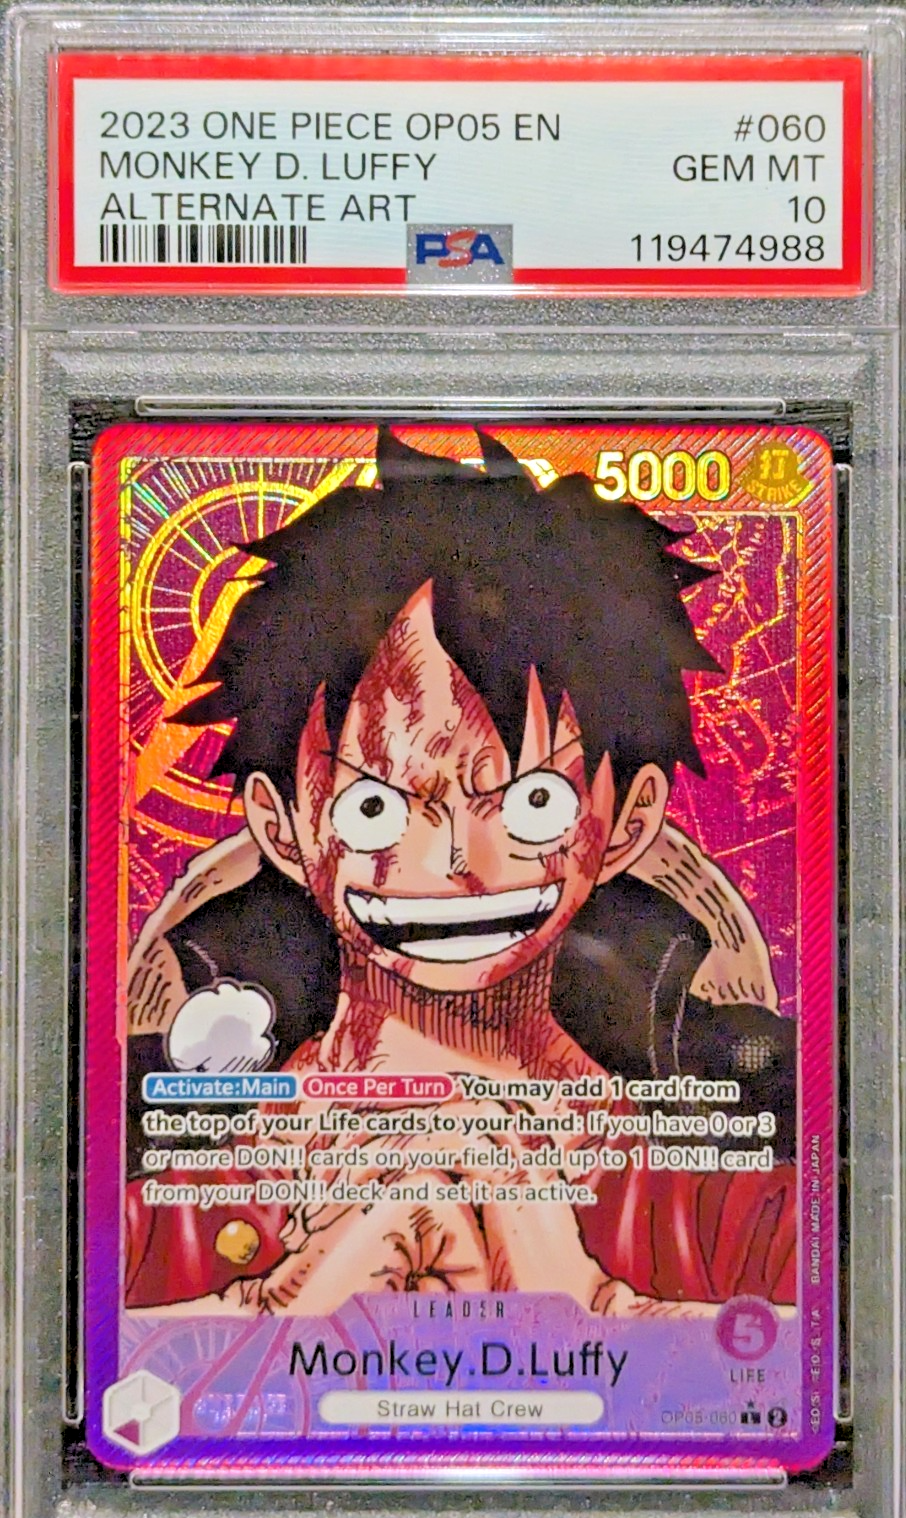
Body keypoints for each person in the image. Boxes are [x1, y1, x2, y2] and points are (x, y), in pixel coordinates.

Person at [124, 428, 796, 1315]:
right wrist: (269, 1316)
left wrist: (598, 1310)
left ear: (627, 820)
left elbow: (819, 1349)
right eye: (375, 808)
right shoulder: (161, 1186)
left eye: (529, 806)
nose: (454, 864)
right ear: (282, 826)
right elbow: (84, 1356)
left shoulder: (724, 1189)